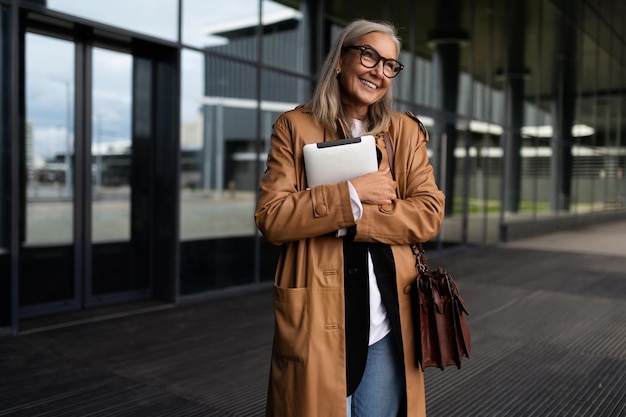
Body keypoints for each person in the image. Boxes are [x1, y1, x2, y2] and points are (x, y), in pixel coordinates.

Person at [255, 19, 445, 417]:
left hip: (386, 321)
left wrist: (349, 220)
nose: (379, 71)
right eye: (369, 55)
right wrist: (353, 194)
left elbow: (428, 214)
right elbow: (272, 218)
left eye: (390, 64)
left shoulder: (405, 133)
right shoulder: (295, 127)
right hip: (317, 317)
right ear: (341, 60)